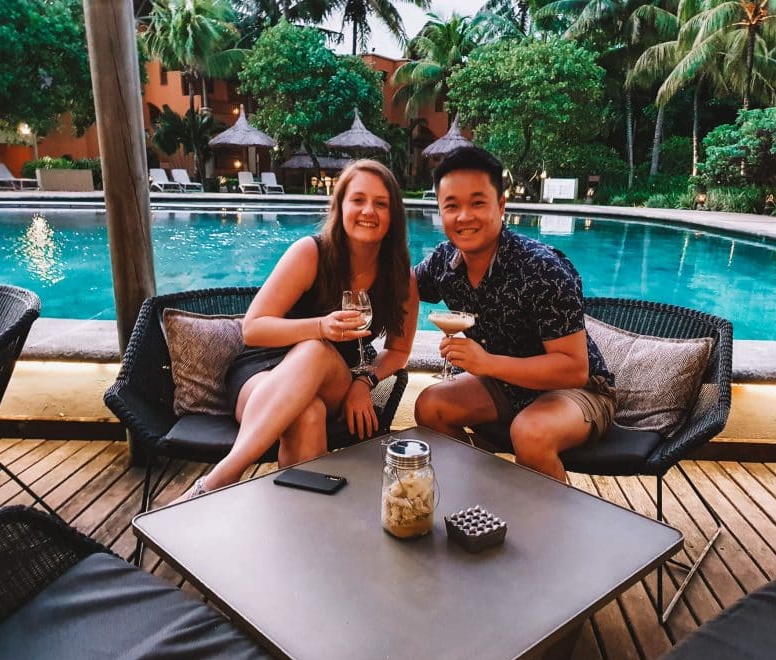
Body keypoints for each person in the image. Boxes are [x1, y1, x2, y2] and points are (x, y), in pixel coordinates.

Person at [176, 159, 419, 501]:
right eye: (358, 200)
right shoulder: (311, 253)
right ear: (341, 206)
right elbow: (253, 329)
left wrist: (365, 383)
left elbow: (399, 350)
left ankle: (214, 483)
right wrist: (320, 326)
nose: (369, 211)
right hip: (262, 372)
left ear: (394, 215)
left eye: (381, 203)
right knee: (308, 412)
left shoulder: (400, 277)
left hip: (334, 377)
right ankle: (299, 528)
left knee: (318, 352)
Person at [414, 147, 615, 482]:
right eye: (452, 205)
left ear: (501, 205)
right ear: (440, 211)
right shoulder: (444, 262)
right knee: (431, 406)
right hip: (507, 384)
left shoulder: (542, 268)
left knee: (530, 432)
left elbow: (574, 369)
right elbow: (400, 287)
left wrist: (487, 364)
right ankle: (486, 493)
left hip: (581, 392)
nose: (464, 216)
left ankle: (554, 531)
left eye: (477, 203)